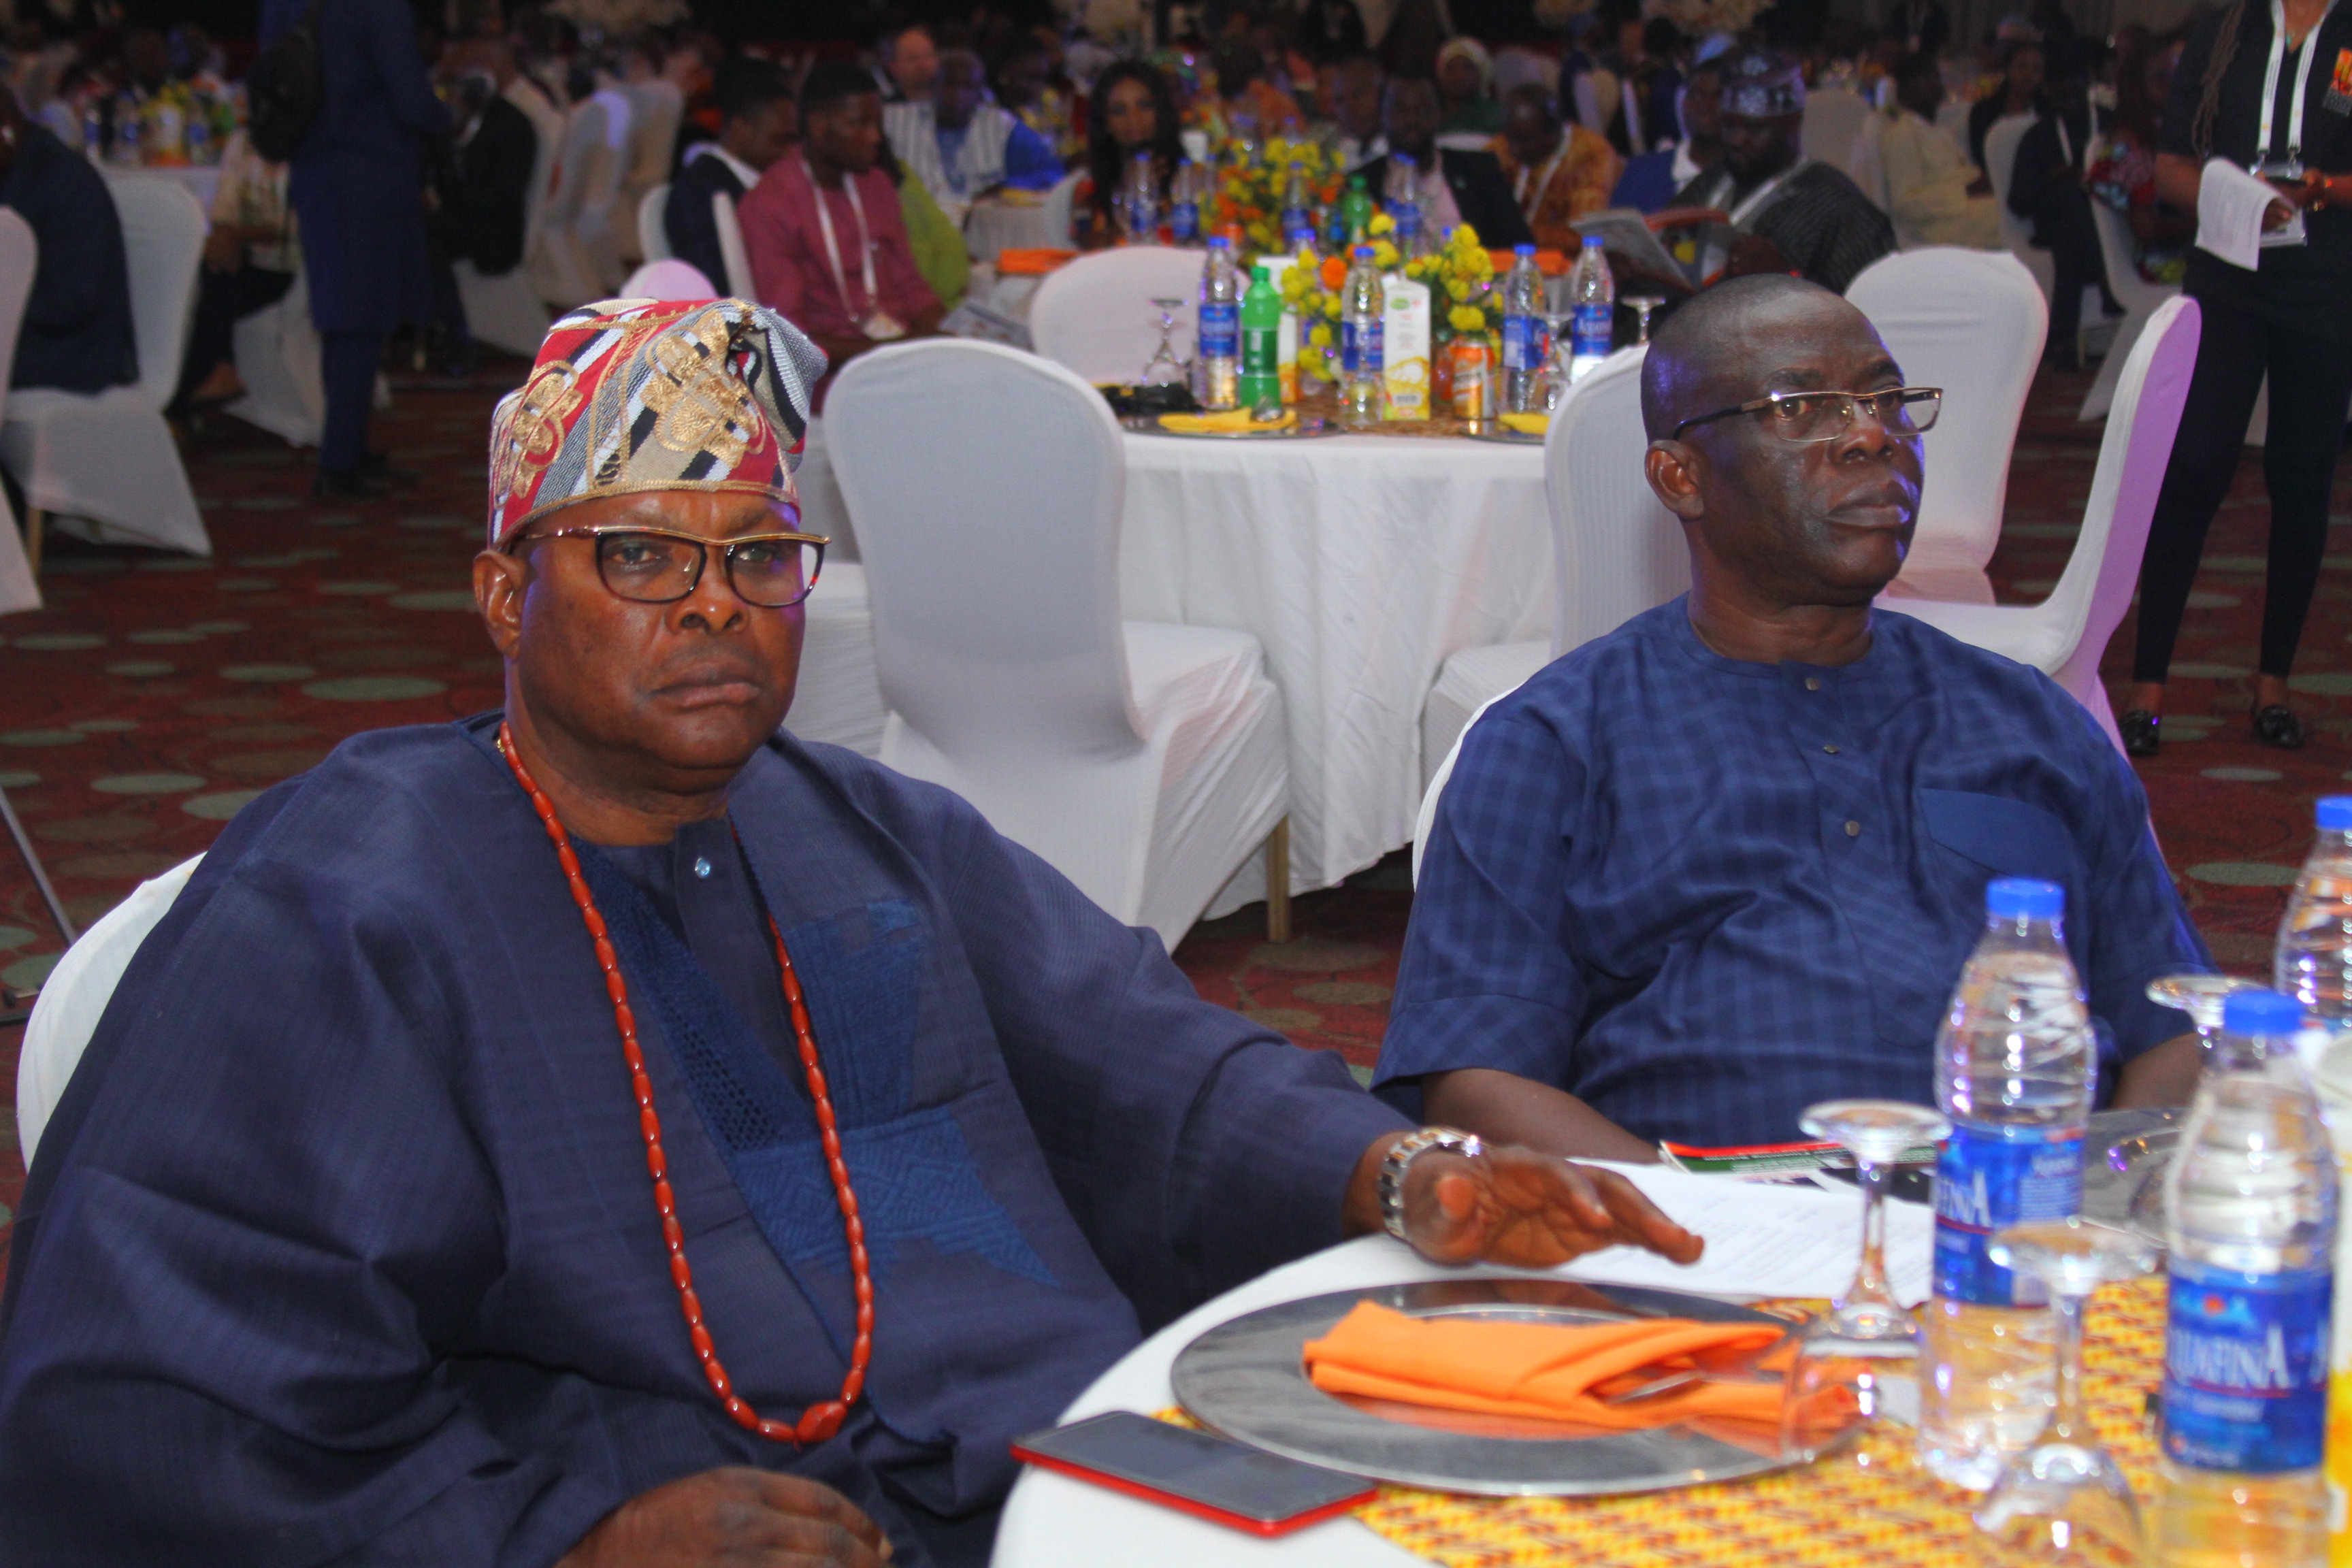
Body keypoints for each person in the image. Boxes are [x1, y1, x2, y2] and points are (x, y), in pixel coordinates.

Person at [0, 292, 1704, 1567]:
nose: (714, 608)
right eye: (640, 560)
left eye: (759, 559)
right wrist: (566, 1545)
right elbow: (165, 1382)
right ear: (508, 597)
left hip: (1044, 1459)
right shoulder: (347, 901)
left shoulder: (860, 828)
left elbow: (1147, 1064)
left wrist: (1399, 1175)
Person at [1375, 274, 2210, 1159]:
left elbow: (2179, 1029)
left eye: (1886, 401)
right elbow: (1476, 1084)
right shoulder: (1555, 745)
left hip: (2019, 1214)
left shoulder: (2029, 721)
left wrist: (2095, 1193)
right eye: (1802, 408)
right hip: (1704, 1223)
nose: (1870, 435)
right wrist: (1692, 1220)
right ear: (1680, 476)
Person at [2119, 0, 2352, 755]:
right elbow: (2171, 164)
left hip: (2328, 284)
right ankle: (2148, 688)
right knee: (2193, 467)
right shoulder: (2225, 28)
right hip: (2228, 278)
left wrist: (2325, 188)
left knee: (2303, 479)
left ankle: (2273, 684)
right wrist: (2240, 200)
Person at [261, 0, 450, 500]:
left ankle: (347, 447)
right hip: (369, 175)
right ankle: (340, 460)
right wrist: (449, 117)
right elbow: (411, 99)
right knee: (359, 323)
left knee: (342, 318)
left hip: (315, 172)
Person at [741, 63, 941, 385]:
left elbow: (911, 286)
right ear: (818, 126)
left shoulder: (876, 185)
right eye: (860, 124)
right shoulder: (771, 205)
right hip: (833, 381)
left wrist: (948, 336)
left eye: (877, 123)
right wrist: (898, 351)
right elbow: (791, 339)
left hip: (900, 359)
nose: (875, 137)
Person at [1673, 49, 1893, 295]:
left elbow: (1871, 301)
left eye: (1754, 130)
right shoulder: (1714, 179)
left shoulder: (1837, 204)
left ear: (1792, 124)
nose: (1737, 140)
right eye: (1729, 126)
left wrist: (1788, 276)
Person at [0, 88, 135, 396]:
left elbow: (71, 303)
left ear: (6, 130)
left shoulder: (67, 182)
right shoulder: (12, 170)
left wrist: (7, 304)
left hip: (71, 351)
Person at [2008, 70, 2117, 370]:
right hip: (2053, 219)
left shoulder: (2109, 124)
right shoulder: (2038, 136)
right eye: (2062, 90)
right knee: (2071, 199)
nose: (2069, 97)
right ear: (2050, 92)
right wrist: (2053, 178)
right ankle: (2107, 281)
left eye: (2075, 89)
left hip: (2105, 219)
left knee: (2069, 239)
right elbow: (2018, 201)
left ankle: (2061, 339)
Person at [882, 48, 1060, 225]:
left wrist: (1004, 187)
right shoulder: (897, 121)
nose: (958, 94)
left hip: (981, 230)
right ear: (934, 85)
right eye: (950, 83)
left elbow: (1053, 173)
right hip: (916, 227)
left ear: (979, 93)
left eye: (968, 87)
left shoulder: (1002, 127)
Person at [1355, 76, 1534, 248]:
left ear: (1439, 115)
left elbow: (1521, 244)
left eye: (1423, 111)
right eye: (1401, 111)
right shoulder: (1361, 183)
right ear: (1382, 116)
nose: (1412, 120)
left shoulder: (1480, 171)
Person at [666, 59, 796, 295]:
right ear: (740, 128)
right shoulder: (701, 190)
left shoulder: (761, 179)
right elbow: (716, 283)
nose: (788, 153)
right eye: (778, 141)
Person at [2085, 37, 2192, 286]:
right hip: (2163, 262)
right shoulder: (2129, 146)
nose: (2173, 84)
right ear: (2136, 87)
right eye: (2161, 77)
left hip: (2188, 252)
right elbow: (2147, 229)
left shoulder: (2165, 130)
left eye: (2177, 75)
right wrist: (2204, 225)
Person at [1880, 51, 2002, 248]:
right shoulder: (1903, 134)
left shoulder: (1938, 131)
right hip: (1935, 227)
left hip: (1965, 211)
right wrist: (1965, 191)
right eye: (1925, 79)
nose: (1934, 85)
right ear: (1904, 93)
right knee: (2010, 218)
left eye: (1936, 77)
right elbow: (1905, 205)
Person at [1493, 83, 1620, 251]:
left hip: (1564, 261)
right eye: (1509, 139)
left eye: (1524, 141)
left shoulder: (1592, 153)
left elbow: (1583, 237)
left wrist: (1513, 233)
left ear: (1553, 134)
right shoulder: (1506, 145)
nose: (1513, 150)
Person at [1077, 59, 1183, 246]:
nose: (1133, 119)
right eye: (1119, 111)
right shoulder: (1088, 188)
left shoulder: (1187, 176)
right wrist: (1130, 191)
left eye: (1144, 105)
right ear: (1105, 122)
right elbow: (1094, 251)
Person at [1610, 53, 1721, 211]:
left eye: (1719, 97)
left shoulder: (1748, 183)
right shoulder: (1637, 175)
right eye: (1697, 95)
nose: (1705, 106)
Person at [1967, 38, 2044, 172]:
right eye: (2021, 67)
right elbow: (1981, 157)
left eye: (2036, 69)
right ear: (2007, 70)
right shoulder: (1984, 111)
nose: (2029, 75)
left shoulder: (2048, 112)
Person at [1327, 50, 1388, 167]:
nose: (1349, 108)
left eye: (1358, 94)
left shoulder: (1402, 154)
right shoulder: (1338, 155)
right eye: (1340, 100)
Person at [1435, 37, 1504, 138]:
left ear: (1481, 74)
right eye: (1451, 69)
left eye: (1468, 68)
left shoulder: (1493, 116)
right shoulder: (1433, 115)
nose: (1459, 76)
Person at [878, 22, 940, 104]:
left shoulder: (950, 102)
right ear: (895, 67)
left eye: (927, 56)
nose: (922, 65)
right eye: (912, 58)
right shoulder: (882, 105)